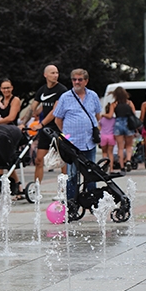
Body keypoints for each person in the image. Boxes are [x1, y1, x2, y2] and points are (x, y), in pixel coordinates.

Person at [53, 69, 102, 203]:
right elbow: (58, 119)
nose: (76, 82)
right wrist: (66, 135)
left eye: (80, 79)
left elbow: (98, 115)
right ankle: (71, 202)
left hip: (89, 141)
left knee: (91, 172)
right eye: (74, 79)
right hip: (72, 143)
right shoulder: (65, 97)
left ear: (86, 81)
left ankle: (93, 201)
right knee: (72, 174)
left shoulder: (93, 96)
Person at [30, 66, 67, 182]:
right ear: (45, 75)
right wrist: (23, 121)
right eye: (52, 73)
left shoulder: (62, 90)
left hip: (59, 128)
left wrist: (41, 124)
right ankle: (36, 189)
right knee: (39, 159)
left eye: (57, 73)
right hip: (46, 130)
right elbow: (34, 107)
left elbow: (55, 111)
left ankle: (65, 190)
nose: (56, 75)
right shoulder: (42, 90)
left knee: (63, 160)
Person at [110, 86, 138, 172]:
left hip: (118, 124)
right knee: (129, 146)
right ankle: (128, 160)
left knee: (120, 147)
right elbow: (133, 113)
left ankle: (121, 166)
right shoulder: (129, 103)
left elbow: (110, 115)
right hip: (128, 124)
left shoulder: (114, 104)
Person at [99, 103, 116, 168]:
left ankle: (105, 166)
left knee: (104, 153)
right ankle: (111, 168)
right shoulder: (114, 119)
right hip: (111, 136)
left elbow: (100, 127)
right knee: (110, 153)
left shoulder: (102, 119)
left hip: (103, 136)